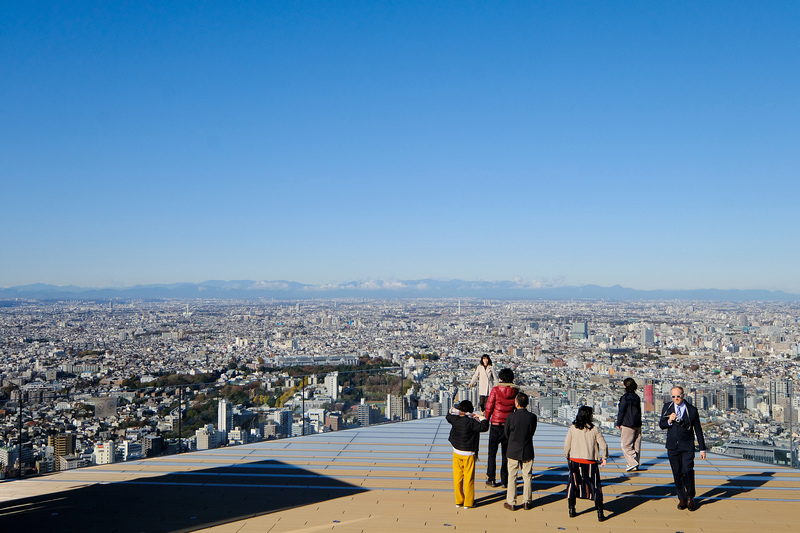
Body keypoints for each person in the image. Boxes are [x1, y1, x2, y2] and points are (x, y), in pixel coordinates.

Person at [659, 385, 706, 511]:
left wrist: (702, 448)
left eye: (678, 396)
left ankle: (690, 496)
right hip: (672, 446)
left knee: (687, 470)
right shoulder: (667, 407)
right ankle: (682, 498)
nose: (676, 399)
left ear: (683, 396)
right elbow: (661, 424)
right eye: (673, 396)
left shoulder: (692, 410)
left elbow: (698, 430)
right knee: (677, 472)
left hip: (687, 445)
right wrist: (669, 420)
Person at [564, 406, 608, 522]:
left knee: (572, 485)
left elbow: (566, 445)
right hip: (589, 462)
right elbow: (604, 445)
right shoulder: (594, 429)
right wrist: (604, 458)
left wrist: (567, 455)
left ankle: (571, 509)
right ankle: (600, 513)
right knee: (595, 486)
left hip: (574, 461)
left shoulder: (573, 428)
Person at [446, 399, 490, 509]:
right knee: (469, 478)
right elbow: (484, 427)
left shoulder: (455, 419)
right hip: (469, 453)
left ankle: (459, 500)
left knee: (457, 477)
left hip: (457, 451)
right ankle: (468, 502)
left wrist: (459, 412)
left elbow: (448, 415)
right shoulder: (472, 422)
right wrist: (481, 417)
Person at [484, 367, 518, 488]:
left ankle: (491, 478)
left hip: (495, 424)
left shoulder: (496, 390)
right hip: (508, 427)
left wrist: (486, 421)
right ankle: (505, 480)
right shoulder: (515, 392)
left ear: (501, 378)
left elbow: (489, 407)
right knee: (506, 454)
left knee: (492, 453)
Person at [503, 392, 538, 511]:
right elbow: (532, 432)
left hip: (513, 449)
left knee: (512, 476)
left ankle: (511, 502)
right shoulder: (532, 417)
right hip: (527, 448)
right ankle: (526, 502)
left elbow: (506, 434)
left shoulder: (510, 417)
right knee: (527, 476)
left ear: (516, 403)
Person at [615, 377, 642, 472]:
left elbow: (621, 411)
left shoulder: (625, 398)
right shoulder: (637, 397)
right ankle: (635, 463)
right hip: (637, 423)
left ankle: (633, 463)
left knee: (625, 445)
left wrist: (619, 423)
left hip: (628, 424)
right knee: (636, 444)